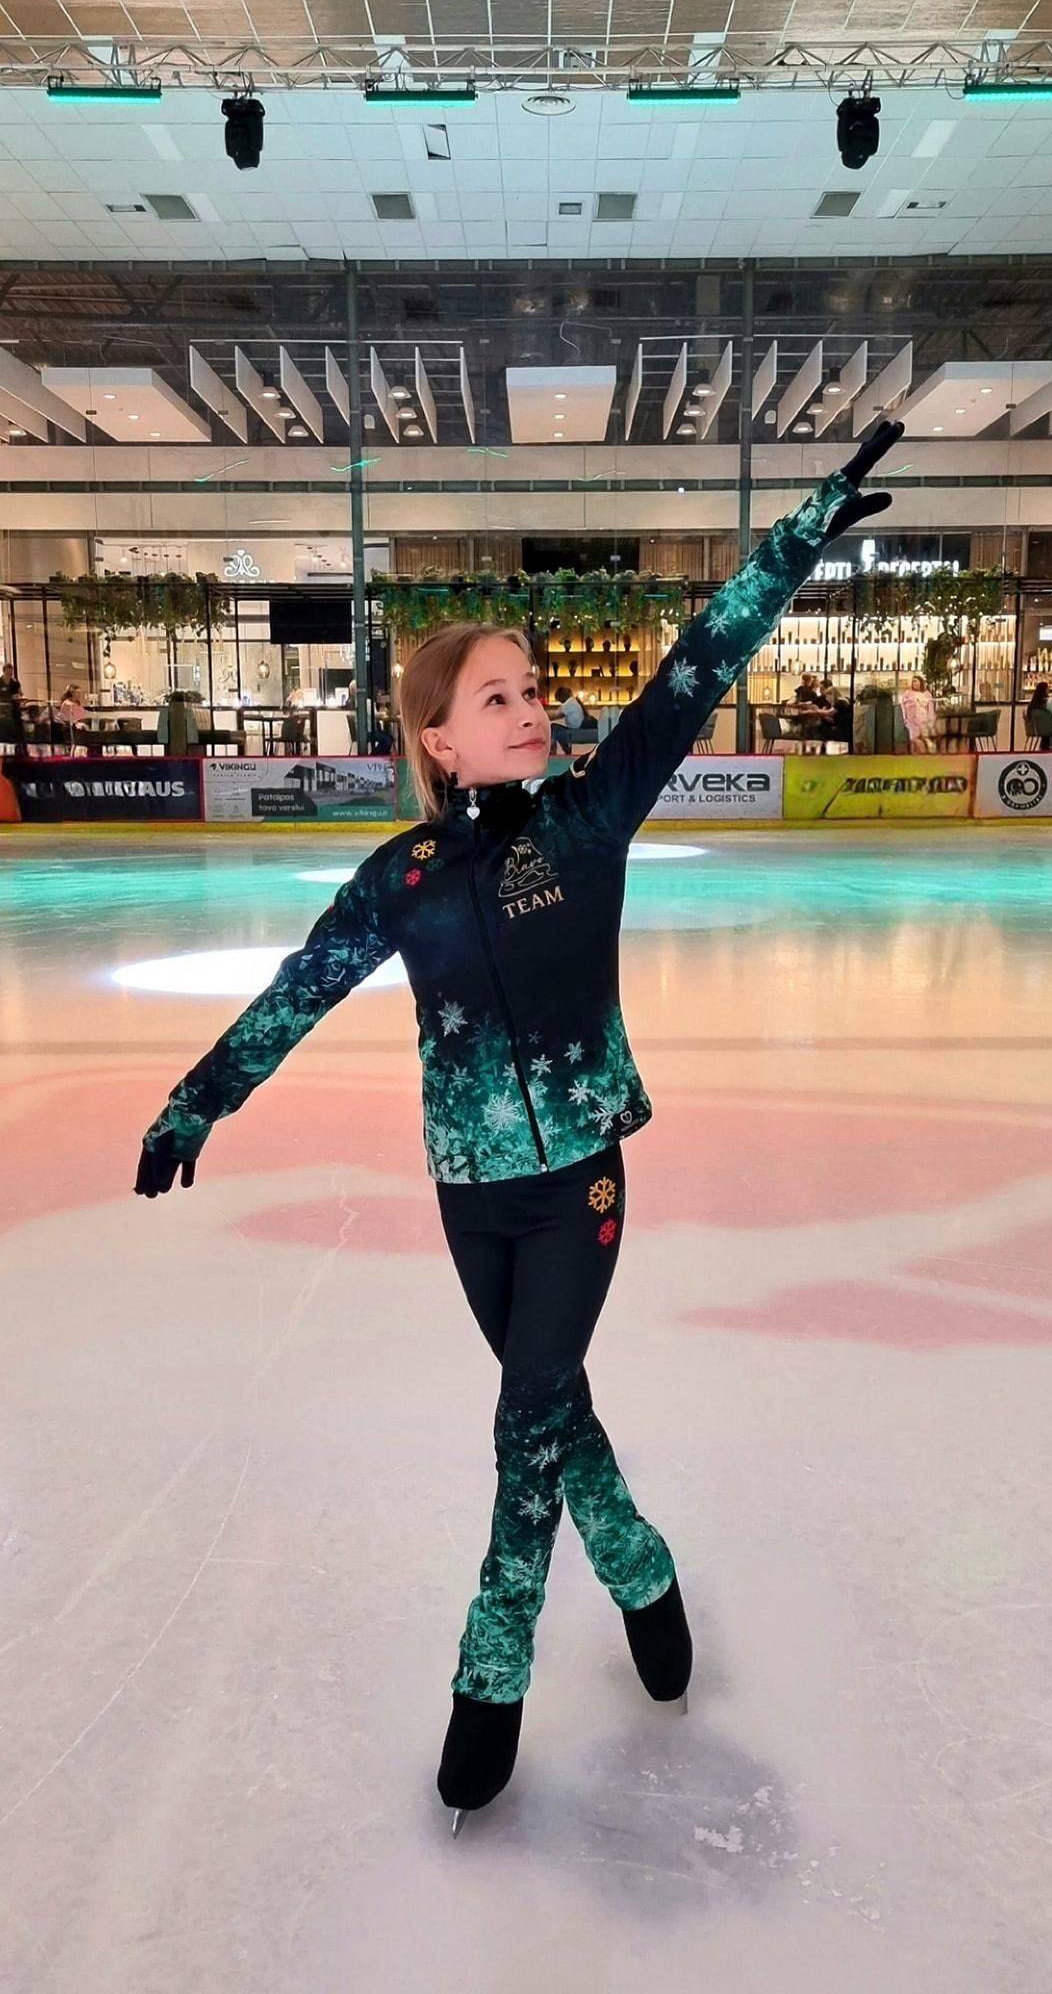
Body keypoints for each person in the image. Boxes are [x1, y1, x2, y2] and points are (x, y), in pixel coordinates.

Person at [134, 419, 903, 1835]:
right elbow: (298, 989)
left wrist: (800, 533)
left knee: (521, 1420)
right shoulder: (403, 875)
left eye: (534, 688)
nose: (531, 708)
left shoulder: (587, 823)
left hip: (576, 1188)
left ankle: (490, 1671)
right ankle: (642, 1567)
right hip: (469, 1193)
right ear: (437, 736)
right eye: (498, 696)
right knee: (554, 1412)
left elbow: (696, 667)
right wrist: (198, 1100)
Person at [899, 674, 938, 753]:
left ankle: (926, 750)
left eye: (916, 681)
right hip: (912, 719)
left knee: (924, 736)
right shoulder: (908, 693)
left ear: (920, 682)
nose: (914, 683)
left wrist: (931, 720)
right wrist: (905, 718)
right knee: (914, 738)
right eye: (913, 681)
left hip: (923, 718)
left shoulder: (927, 694)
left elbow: (930, 708)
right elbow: (903, 705)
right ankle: (921, 751)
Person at [550, 684, 589, 757]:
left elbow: (556, 715)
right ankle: (566, 747)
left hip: (574, 730)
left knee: (553, 727)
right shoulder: (571, 701)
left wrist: (543, 716)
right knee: (558, 731)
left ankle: (553, 749)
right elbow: (557, 712)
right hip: (575, 728)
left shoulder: (569, 704)